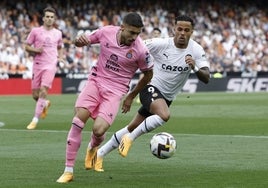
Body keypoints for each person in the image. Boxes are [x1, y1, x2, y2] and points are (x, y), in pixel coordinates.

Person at [92, 15, 210, 172]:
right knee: (164, 115)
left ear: (192, 32)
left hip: (166, 98)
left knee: (132, 126)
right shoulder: (160, 44)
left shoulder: (196, 50)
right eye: (179, 29)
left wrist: (194, 67)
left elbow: (206, 77)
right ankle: (130, 139)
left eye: (186, 30)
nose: (182, 33)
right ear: (174, 29)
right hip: (150, 89)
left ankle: (99, 155)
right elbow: (136, 46)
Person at [56, 12, 153, 183]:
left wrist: (131, 96)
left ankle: (93, 146)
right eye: (131, 32)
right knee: (78, 120)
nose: (134, 37)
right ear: (122, 27)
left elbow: (148, 74)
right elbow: (82, 41)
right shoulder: (106, 32)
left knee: (99, 130)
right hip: (96, 81)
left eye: (138, 33)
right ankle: (68, 170)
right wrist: (79, 40)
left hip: (115, 91)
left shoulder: (140, 50)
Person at [25, 7, 64, 130]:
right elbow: (26, 46)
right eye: (47, 16)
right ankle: (45, 103)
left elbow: (60, 46)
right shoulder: (36, 31)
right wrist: (36, 50)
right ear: (43, 18)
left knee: (43, 90)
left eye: (51, 17)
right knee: (35, 95)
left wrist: (61, 58)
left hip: (50, 65)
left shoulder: (58, 33)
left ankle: (35, 120)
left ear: (54, 19)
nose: (49, 19)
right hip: (37, 65)